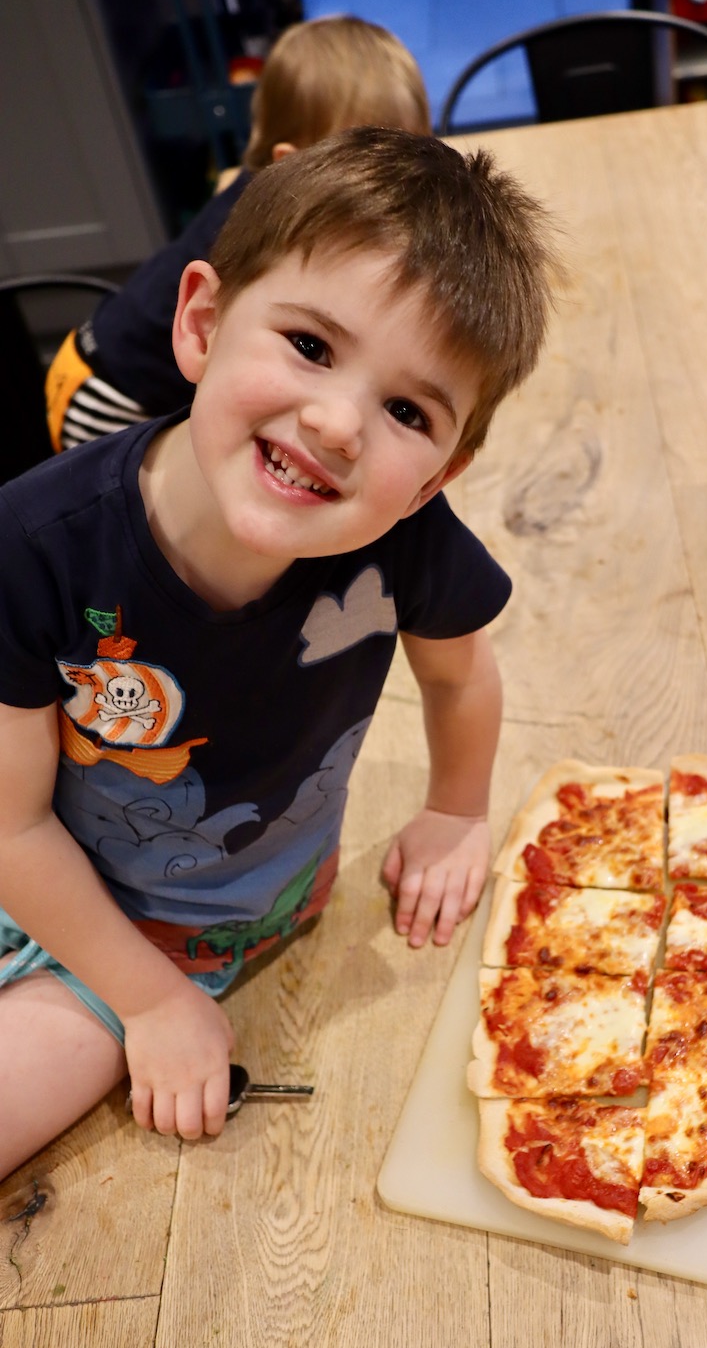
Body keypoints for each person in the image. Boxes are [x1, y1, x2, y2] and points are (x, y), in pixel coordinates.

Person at [0, 126, 558, 1180]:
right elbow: (12, 825)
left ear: (437, 477)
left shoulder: (410, 546)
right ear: (202, 323)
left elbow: (460, 674)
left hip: (172, 943)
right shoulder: (33, 545)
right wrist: (152, 1007)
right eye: (310, 345)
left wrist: (456, 812)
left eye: (407, 410)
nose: (339, 423)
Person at [44, 15, 432, 453]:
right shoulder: (263, 238)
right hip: (107, 396)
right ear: (290, 166)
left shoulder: (295, 205)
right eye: (368, 176)